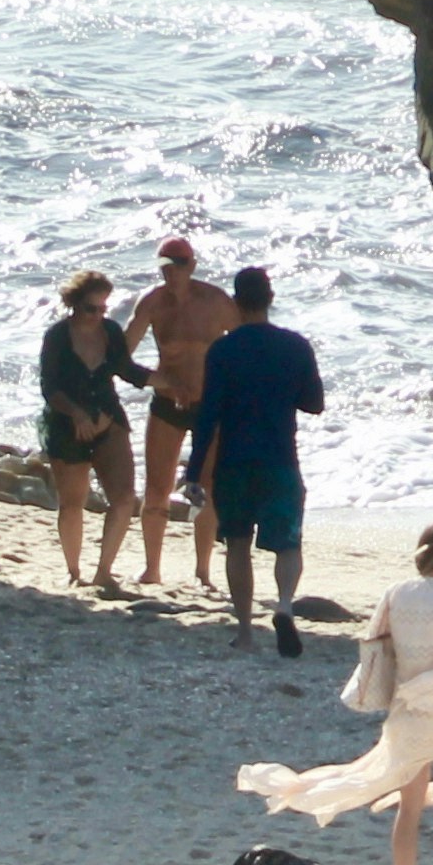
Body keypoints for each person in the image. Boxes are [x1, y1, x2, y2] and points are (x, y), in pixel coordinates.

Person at [236, 519, 433, 865]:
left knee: (409, 809)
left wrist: (396, 696)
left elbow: (376, 653)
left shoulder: (396, 592)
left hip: (406, 714)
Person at [181, 266, 325, 656]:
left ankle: (245, 631)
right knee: (288, 543)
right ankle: (283, 605)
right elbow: (315, 404)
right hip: (280, 458)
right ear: (270, 298)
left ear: (235, 302)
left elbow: (207, 415)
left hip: (234, 462)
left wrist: (193, 474)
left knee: (238, 545)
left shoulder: (223, 350)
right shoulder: (296, 346)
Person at [126, 238, 240, 591]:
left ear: (192, 265)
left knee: (206, 489)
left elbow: (244, 347)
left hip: (209, 406)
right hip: (167, 404)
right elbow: (121, 355)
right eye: (166, 265)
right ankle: (152, 568)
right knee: (157, 488)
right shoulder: (153, 304)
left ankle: (203, 571)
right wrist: (157, 380)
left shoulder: (216, 301)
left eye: (178, 264)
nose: (172, 272)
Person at [37, 271, 145, 589]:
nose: (98, 315)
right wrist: (77, 414)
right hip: (64, 423)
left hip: (108, 418)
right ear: (73, 305)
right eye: (91, 308)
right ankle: (74, 572)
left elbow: (127, 370)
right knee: (72, 503)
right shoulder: (57, 336)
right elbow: (50, 387)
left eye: (103, 308)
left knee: (125, 498)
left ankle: (104, 571)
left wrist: (166, 382)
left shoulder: (110, 332)